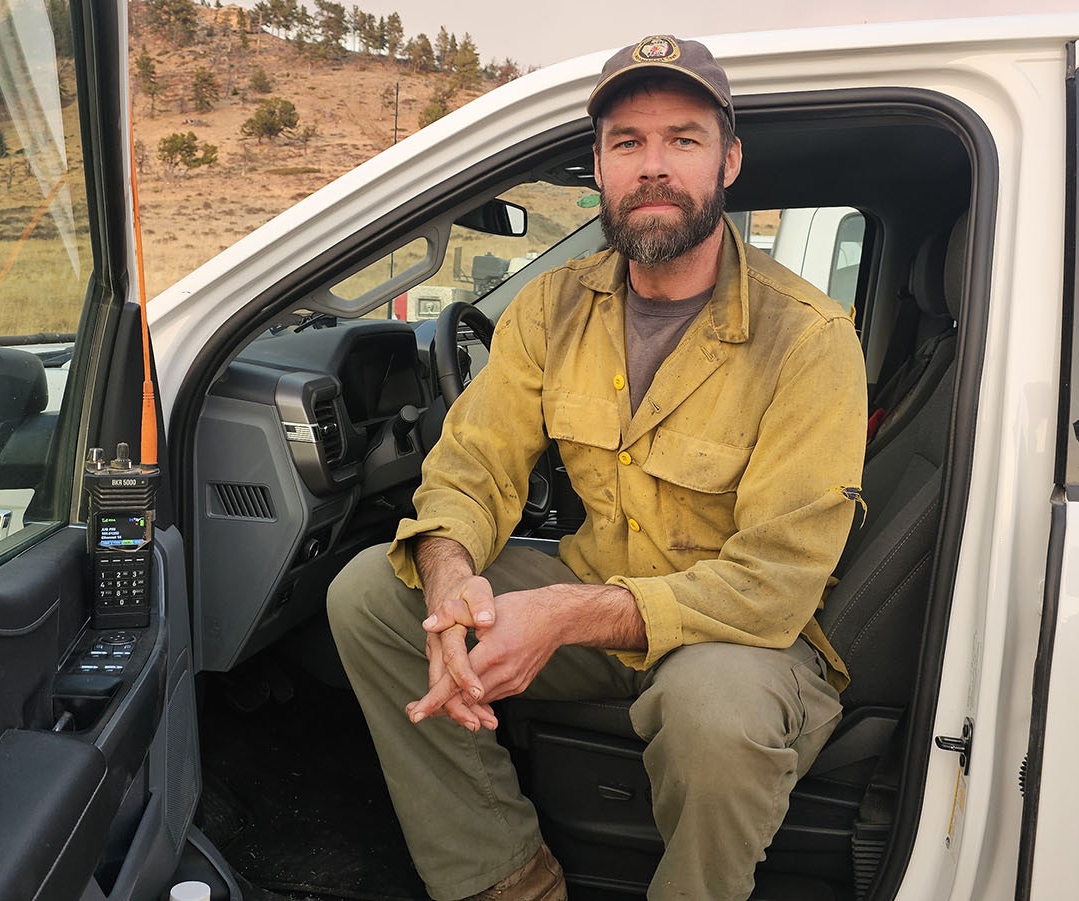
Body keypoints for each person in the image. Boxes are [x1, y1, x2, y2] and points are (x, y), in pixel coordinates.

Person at [328, 34, 866, 901]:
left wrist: (565, 613)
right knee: (371, 597)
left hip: (737, 637)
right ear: (599, 167)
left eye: (682, 139)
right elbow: (474, 463)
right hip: (594, 588)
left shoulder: (807, 336)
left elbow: (774, 581)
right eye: (628, 142)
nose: (654, 166)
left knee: (715, 715)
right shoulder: (554, 302)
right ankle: (506, 878)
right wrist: (450, 574)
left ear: (728, 160)